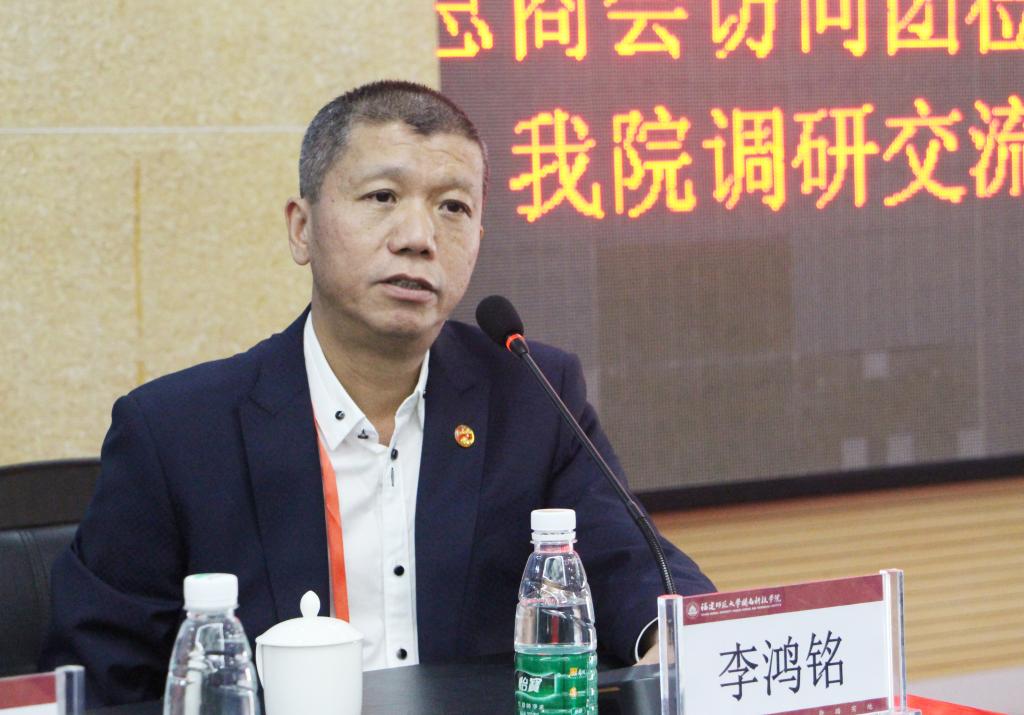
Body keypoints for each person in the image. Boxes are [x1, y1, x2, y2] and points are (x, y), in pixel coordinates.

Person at [41, 80, 714, 706]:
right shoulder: (177, 433)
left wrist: (676, 637)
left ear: (478, 240)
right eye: (382, 197)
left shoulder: (531, 395)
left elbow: (635, 563)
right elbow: (95, 679)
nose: (418, 239)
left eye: (453, 208)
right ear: (301, 228)